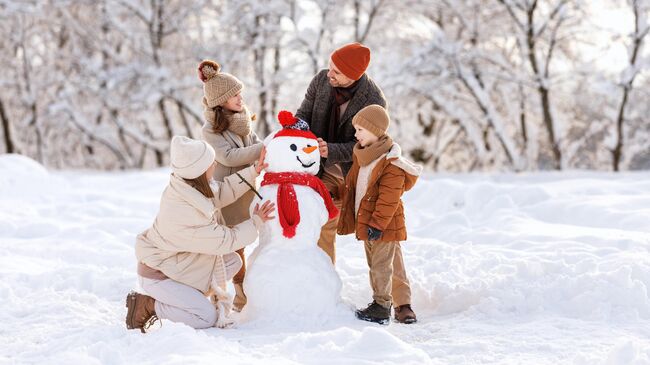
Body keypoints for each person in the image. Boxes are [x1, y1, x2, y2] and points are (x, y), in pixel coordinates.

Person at [125, 136, 274, 332]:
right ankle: (148, 305)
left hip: (179, 264)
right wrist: (255, 222)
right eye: (210, 162)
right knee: (205, 317)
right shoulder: (183, 213)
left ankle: (190, 299)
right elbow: (225, 240)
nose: (214, 164)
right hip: (160, 276)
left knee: (232, 262)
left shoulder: (191, 187)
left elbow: (222, 192)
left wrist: (254, 170)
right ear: (198, 171)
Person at [295, 42, 386, 265]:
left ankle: (385, 292)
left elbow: (368, 147)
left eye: (337, 71)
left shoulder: (374, 101)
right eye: (330, 66)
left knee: (373, 233)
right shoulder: (321, 80)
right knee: (321, 222)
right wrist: (294, 129)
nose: (330, 74)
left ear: (354, 75)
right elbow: (303, 114)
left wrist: (332, 150)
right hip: (322, 168)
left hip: (352, 173)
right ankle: (322, 280)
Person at [337, 105, 421, 324]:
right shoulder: (363, 157)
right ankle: (379, 303)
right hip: (367, 224)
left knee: (383, 266)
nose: (355, 135)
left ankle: (382, 306)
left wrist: (377, 224)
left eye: (360, 130)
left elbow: (389, 199)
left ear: (375, 130)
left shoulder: (390, 163)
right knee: (375, 266)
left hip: (382, 225)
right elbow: (354, 187)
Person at [198, 60, 265, 312]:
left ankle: (249, 291)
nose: (240, 98)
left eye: (240, 93)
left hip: (248, 187)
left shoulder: (242, 120)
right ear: (221, 100)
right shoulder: (211, 130)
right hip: (229, 192)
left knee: (248, 240)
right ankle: (239, 295)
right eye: (234, 95)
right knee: (235, 245)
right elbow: (229, 157)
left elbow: (255, 143)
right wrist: (264, 149)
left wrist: (264, 148)